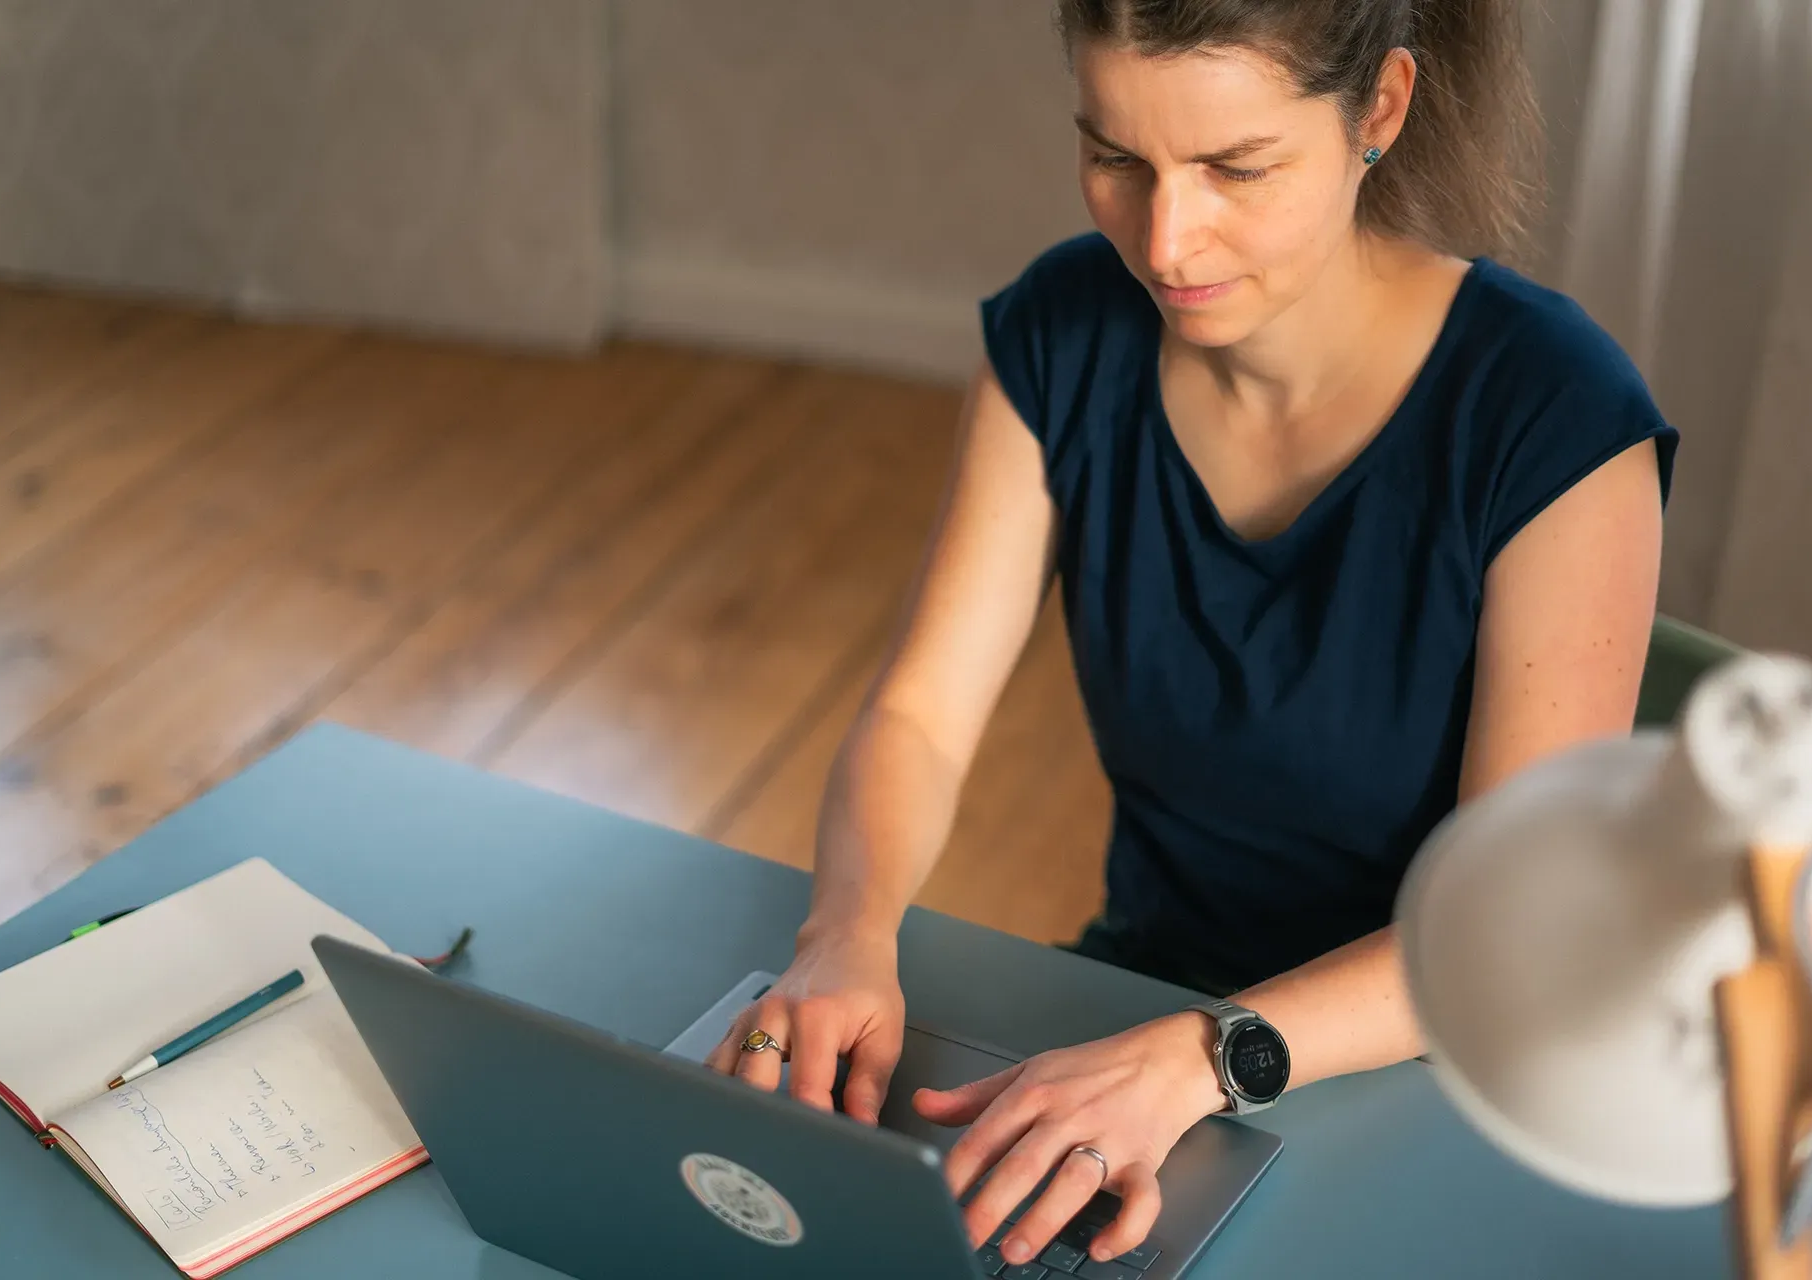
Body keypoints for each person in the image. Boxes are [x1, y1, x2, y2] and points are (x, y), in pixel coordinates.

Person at [709, 0, 1678, 1269]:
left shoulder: (1555, 419)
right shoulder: (1062, 335)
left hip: (1448, 1075)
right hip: (1135, 1014)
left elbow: (1510, 930)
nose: (1165, 243)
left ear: (1379, 108)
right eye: (1117, 157)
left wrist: (1210, 1055)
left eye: (1237, 168)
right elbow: (920, 717)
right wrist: (846, 928)